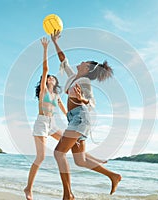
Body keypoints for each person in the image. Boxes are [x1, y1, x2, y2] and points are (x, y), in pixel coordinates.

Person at [24, 37, 105, 200]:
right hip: (41, 124)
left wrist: (77, 123)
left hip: (52, 124)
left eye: (52, 77)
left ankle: (89, 158)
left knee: (72, 140)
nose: (51, 78)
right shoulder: (43, 93)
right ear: (45, 81)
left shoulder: (57, 96)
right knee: (40, 157)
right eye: (48, 77)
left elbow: (65, 112)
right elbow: (46, 68)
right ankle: (28, 188)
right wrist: (46, 48)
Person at [51, 31, 122, 200]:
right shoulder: (73, 77)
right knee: (80, 160)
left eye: (84, 61)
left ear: (87, 68)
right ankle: (113, 176)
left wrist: (82, 98)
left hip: (80, 118)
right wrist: (55, 42)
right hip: (76, 119)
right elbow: (63, 59)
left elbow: (90, 101)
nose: (80, 61)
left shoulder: (84, 82)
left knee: (58, 153)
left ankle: (68, 195)